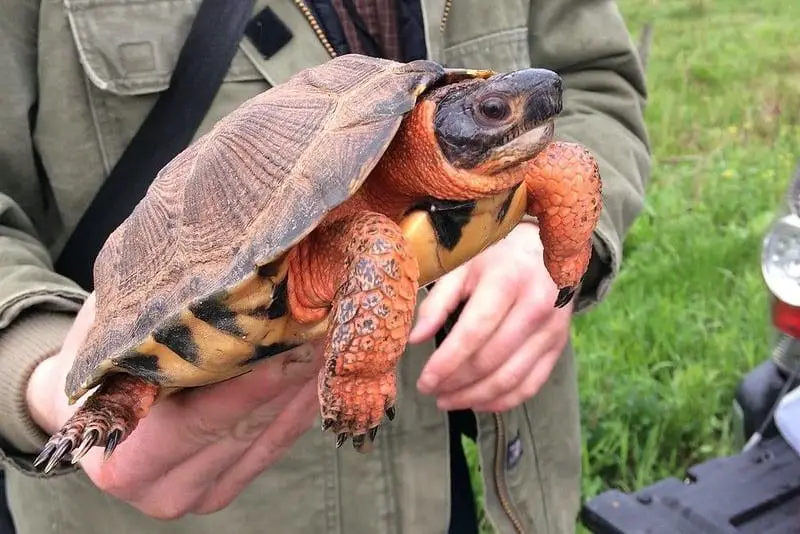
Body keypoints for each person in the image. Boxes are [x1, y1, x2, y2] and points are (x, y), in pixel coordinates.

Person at [0, 0, 650, 533]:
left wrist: (559, 255)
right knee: (370, 252)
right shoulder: (373, 238)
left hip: (463, 460)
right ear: (434, 131)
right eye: (493, 112)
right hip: (204, 503)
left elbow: (587, 90)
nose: (532, 111)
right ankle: (119, 396)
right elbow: (374, 248)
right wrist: (30, 365)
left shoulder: (494, 149)